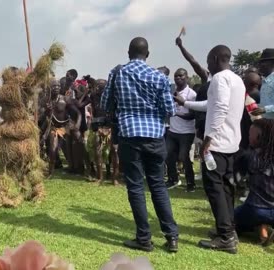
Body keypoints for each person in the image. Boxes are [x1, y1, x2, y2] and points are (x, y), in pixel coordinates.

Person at [101, 37, 178, 253]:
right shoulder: (159, 76)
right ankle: (172, 237)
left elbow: (105, 104)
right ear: (148, 54)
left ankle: (144, 239)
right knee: (158, 186)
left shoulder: (117, 73)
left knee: (135, 186)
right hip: (155, 136)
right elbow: (170, 110)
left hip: (129, 134)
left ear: (128, 53)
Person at [177, 45, 245, 253]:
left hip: (217, 143)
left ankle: (225, 237)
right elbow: (211, 104)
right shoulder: (237, 79)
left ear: (216, 58)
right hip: (231, 143)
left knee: (215, 189)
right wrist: (186, 103)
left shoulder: (219, 79)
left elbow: (221, 108)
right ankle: (228, 230)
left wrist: (208, 138)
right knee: (225, 188)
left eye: (208, 60)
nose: (207, 65)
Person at [234, 119, 274, 246]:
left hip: (255, 208)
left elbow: (234, 180)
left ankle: (261, 227)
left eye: (250, 134)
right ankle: (263, 227)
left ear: (258, 137)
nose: (248, 136)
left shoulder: (249, 156)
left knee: (229, 219)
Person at [165, 69, 197, 192]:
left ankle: (191, 183)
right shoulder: (172, 93)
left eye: (181, 76)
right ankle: (173, 179)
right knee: (168, 156)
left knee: (183, 157)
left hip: (186, 132)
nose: (178, 78)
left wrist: (176, 113)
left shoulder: (191, 94)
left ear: (186, 77)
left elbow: (192, 115)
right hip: (173, 130)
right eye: (176, 76)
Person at [42, 79, 81, 176]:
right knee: (53, 150)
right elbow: (45, 117)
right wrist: (47, 110)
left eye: (58, 86)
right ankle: (50, 172)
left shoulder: (65, 99)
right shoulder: (46, 101)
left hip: (66, 127)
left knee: (79, 141)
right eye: (54, 86)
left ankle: (85, 169)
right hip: (54, 128)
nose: (57, 88)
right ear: (49, 89)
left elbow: (78, 113)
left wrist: (77, 125)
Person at [252, 48, 274, 119]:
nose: (260, 65)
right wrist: (256, 107)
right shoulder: (265, 81)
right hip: (266, 123)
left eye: (263, 62)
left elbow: (265, 108)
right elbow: (266, 103)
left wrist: (263, 110)